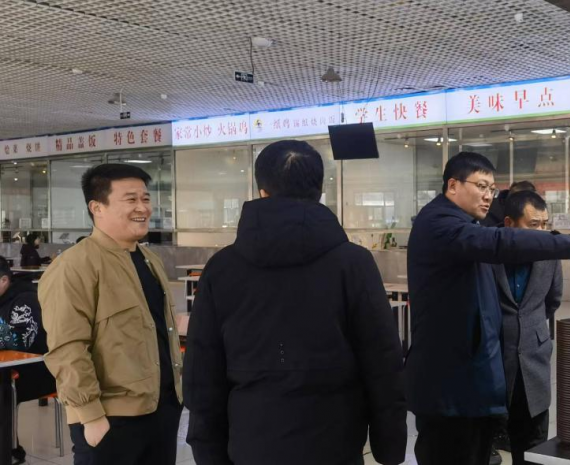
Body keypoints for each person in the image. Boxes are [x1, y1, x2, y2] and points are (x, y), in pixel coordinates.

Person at [183, 140, 406, 465]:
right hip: (335, 442)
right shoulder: (353, 263)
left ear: (261, 192)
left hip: (251, 443)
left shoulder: (222, 268)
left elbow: (202, 370)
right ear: (319, 191)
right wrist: (390, 447)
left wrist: (208, 453)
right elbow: (382, 359)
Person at [406, 152, 570, 465]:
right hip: (449, 389)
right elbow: (499, 242)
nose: (488, 196)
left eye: (492, 189)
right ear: (453, 185)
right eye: (481, 186)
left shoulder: (464, 223)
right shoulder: (441, 225)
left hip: (468, 385)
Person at [40, 164, 183, 465]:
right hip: (110, 418)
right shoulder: (74, 266)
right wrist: (91, 416)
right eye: (130, 199)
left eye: (145, 198)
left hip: (161, 410)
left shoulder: (150, 260)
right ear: (97, 208)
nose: (142, 208)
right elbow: (67, 348)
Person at [492, 191, 563, 465]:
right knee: (490, 439)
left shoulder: (550, 254)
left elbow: (553, 300)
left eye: (545, 224)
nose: (542, 231)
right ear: (509, 223)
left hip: (535, 362)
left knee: (534, 446)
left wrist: (530, 328)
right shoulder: (488, 252)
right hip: (496, 361)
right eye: (534, 224)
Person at [0, 259, 55, 464]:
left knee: (2, 389)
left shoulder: (26, 300)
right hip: (10, 368)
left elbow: (20, 341)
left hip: (37, 369)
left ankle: (8, 452)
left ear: (4, 280)